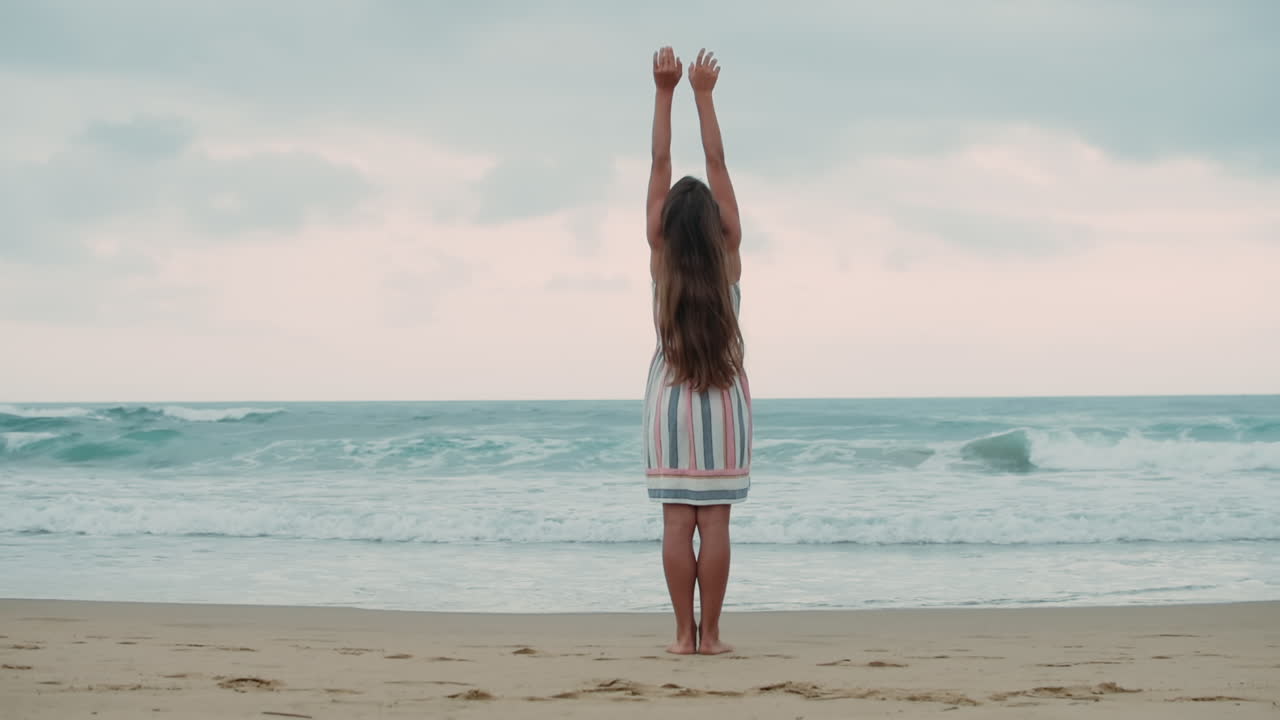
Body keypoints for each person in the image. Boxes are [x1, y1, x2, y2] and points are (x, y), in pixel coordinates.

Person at [643, 46, 752, 656]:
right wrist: (704, 95)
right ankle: (712, 636)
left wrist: (664, 92)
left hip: (670, 396)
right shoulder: (729, 251)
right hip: (722, 397)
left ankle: (681, 636)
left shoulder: (660, 256)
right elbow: (716, 160)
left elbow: (661, 161)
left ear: (666, 227)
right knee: (714, 523)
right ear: (715, 226)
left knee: (675, 522)